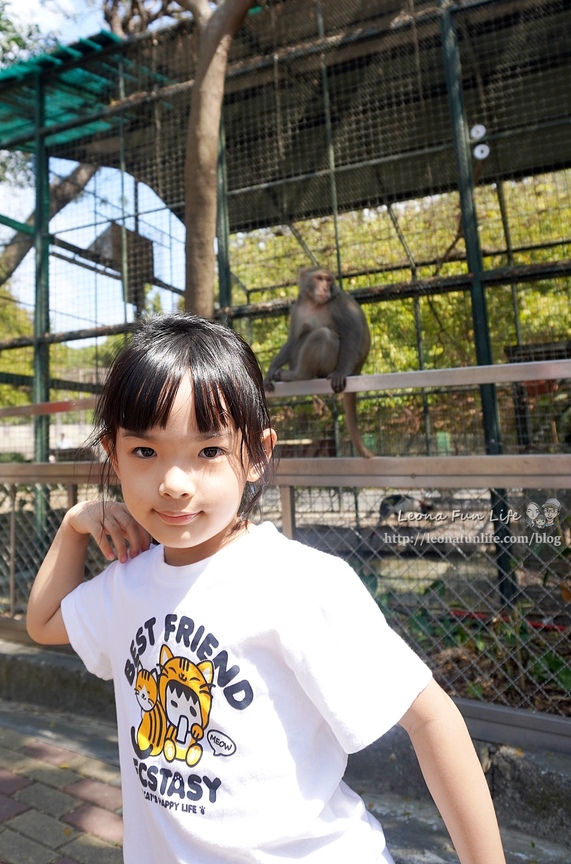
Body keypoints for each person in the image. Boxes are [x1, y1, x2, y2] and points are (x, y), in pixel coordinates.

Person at [27, 314, 506, 864]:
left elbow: (430, 716)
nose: (174, 483)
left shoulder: (298, 582)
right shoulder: (127, 585)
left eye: (208, 451)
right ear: (113, 454)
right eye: (145, 452)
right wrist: (74, 525)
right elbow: (43, 623)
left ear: (255, 454)